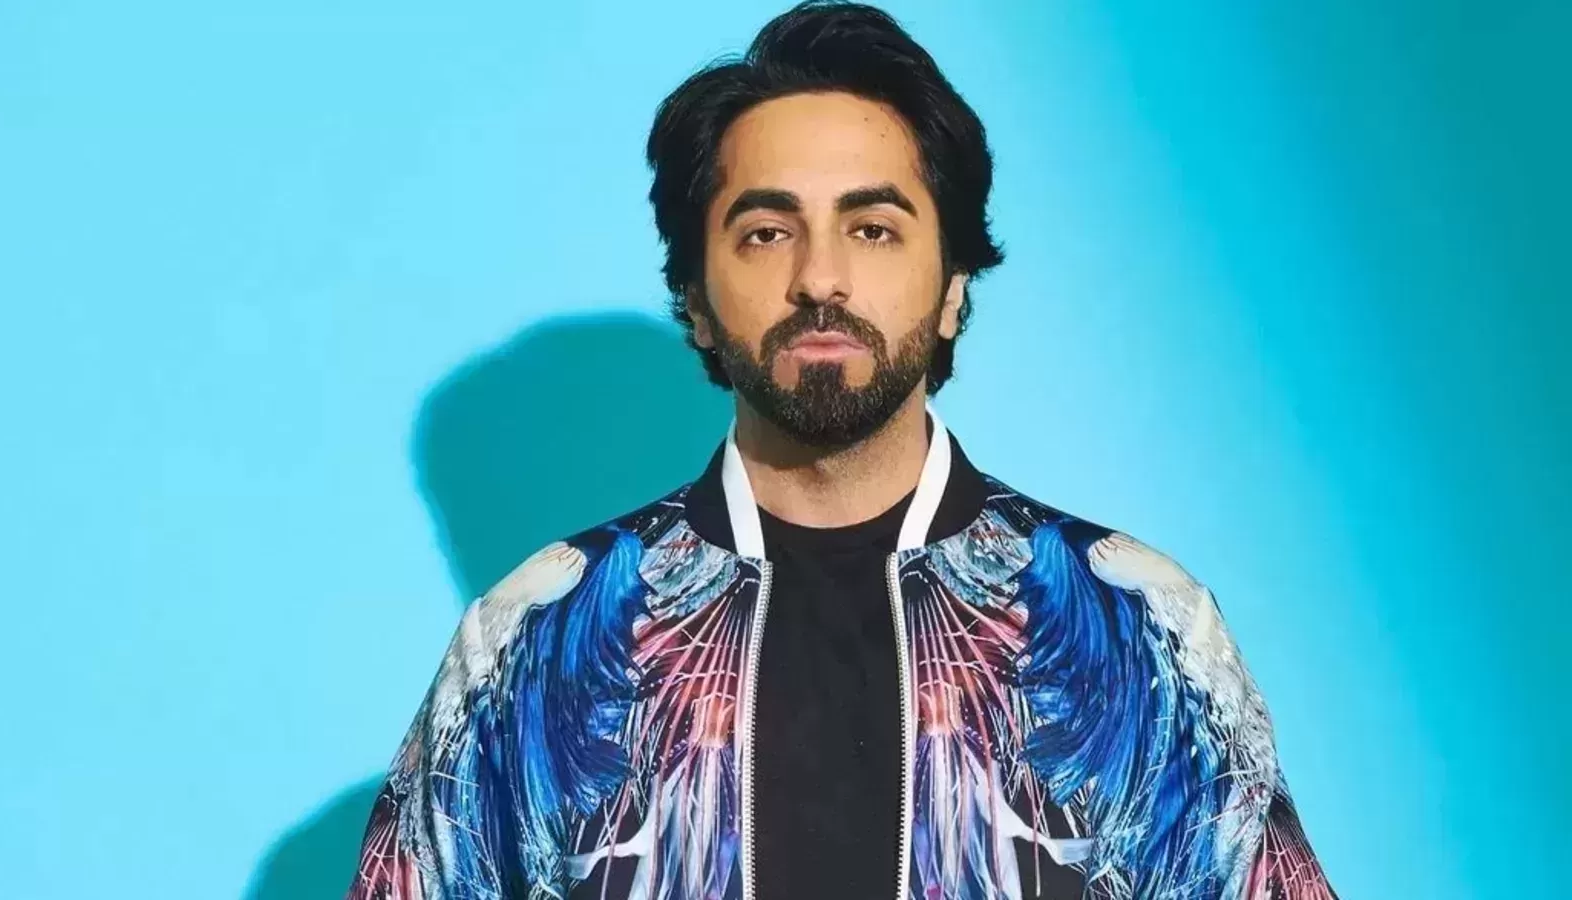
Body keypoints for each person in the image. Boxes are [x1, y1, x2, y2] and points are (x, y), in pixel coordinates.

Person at [346, 2, 1336, 898]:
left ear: (952, 286)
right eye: (766, 232)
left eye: (872, 228)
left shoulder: (1140, 625)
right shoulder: (528, 638)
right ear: (694, 297)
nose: (820, 278)